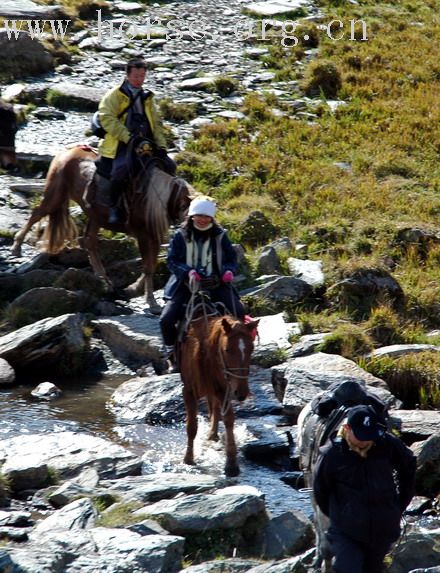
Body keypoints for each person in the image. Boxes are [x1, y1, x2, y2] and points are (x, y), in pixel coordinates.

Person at [313, 404, 417, 573]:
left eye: (370, 436)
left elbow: (409, 465)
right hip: (347, 531)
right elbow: (321, 491)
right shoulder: (331, 455)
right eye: (360, 436)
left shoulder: (387, 444)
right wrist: (339, 514)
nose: (366, 440)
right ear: (347, 428)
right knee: (348, 568)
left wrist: (399, 504)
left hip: (382, 528)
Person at [160, 195, 246, 371]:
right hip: (185, 285)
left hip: (216, 284)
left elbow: (231, 259)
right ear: (191, 217)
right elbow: (171, 260)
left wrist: (228, 271)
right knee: (166, 320)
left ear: (212, 218)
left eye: (206, 217)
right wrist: (187, 272)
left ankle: (238, 351)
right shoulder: (179, 236)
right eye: (198, 216)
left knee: (239, 312)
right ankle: (171, 353)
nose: (202, 219)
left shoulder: (221, 236)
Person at [95, 57, 176, 223]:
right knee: (121, 170)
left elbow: (156, 124)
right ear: (128, 75)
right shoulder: (114, 95)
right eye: (137, 76)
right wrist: (127, 137)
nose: (140, 80)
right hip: (121, 144)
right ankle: (114, 206)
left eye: (143, 76)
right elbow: (107, 118)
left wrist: (161, 145)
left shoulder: (147, 97)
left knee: (170, 166)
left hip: (144, 143)